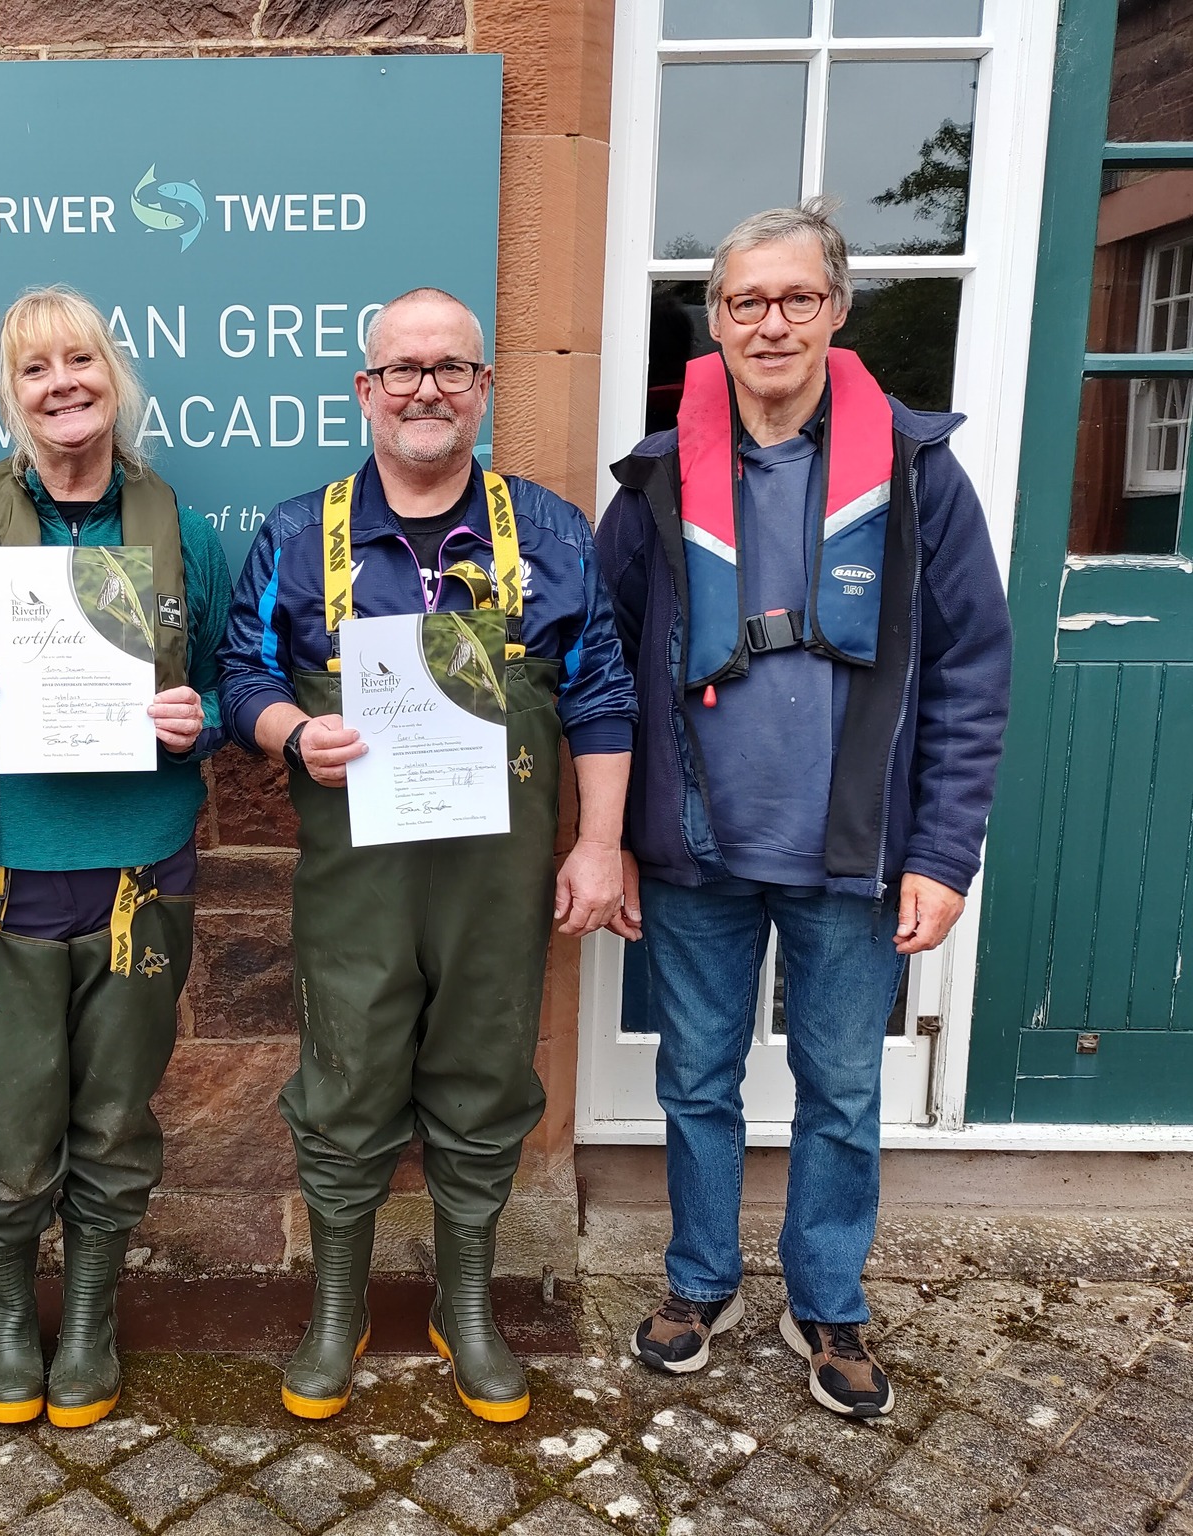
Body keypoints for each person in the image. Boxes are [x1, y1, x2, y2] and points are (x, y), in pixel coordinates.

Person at [595, 200, 1012, 1417]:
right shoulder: (657, 479)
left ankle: (826, 1301)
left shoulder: (919, 477)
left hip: (851, 853)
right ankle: (698, 1281)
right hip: (695, 850)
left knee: (840, 1089)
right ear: (714, 319)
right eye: (744, 301)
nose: (768, 323)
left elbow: (972, 670)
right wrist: (608, 837)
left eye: (794, 298)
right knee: (695, 1079)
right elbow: (604, 663)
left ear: (834, 309)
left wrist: (942, 852)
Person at [219, 287, 637, 1424]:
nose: (426, 390)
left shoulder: (551, 533)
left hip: (497, 880)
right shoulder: (295, 535)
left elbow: (600, 693)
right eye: (403, 370)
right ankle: (335, 1308)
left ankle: (467, 1305)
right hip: (357, 881)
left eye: (451, 368)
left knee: (486, 1075)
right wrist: (290, 732)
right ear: (366, 390)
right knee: (345, 1077)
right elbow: (240, 676)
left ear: (482, 388)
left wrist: (599, 845)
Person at [0, 285, 230, 1429]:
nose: (61, 384)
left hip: (142, 869)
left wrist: (200, 719)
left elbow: (228, 684)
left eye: (79, 360)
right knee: (1, 1122)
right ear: (10, 394)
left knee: (115, 1117)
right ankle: (4, 1322)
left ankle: (85, 1321)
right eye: (34, 368)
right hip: (1, 871)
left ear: (112, 377)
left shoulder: (181, 531)